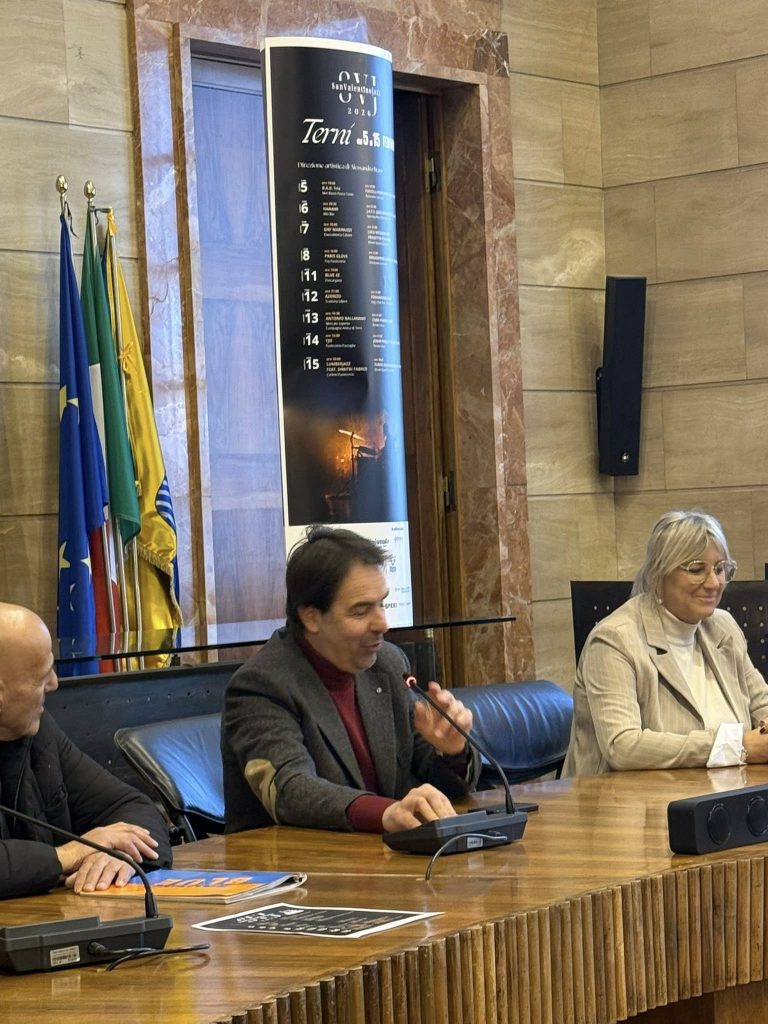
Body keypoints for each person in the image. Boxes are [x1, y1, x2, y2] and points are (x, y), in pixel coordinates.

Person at [222, 526, 480, 833]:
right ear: (311, 617)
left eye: (382, 604)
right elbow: (291, 790)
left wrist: (451, 752)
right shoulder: (261, 685)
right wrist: (385, 813)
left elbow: (434, 779)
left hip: (387, 854)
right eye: (361, 611)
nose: (383, 623)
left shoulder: (388, 663)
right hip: (294, 859)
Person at [563, 510, 768, 776]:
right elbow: (622, 746)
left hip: (720, 792)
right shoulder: (615, 639)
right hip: (625, 799)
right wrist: (735, 746)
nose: (714, 583)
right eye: (697, 569)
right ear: (658, 573)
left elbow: (762, 704)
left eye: (720, 569)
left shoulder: (723, 626)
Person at [0, 603, 172, 899]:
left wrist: (121, 856)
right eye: (41, 677)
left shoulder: (39, 733)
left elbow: (131, 807)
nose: (54, 684)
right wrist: (69, 855)